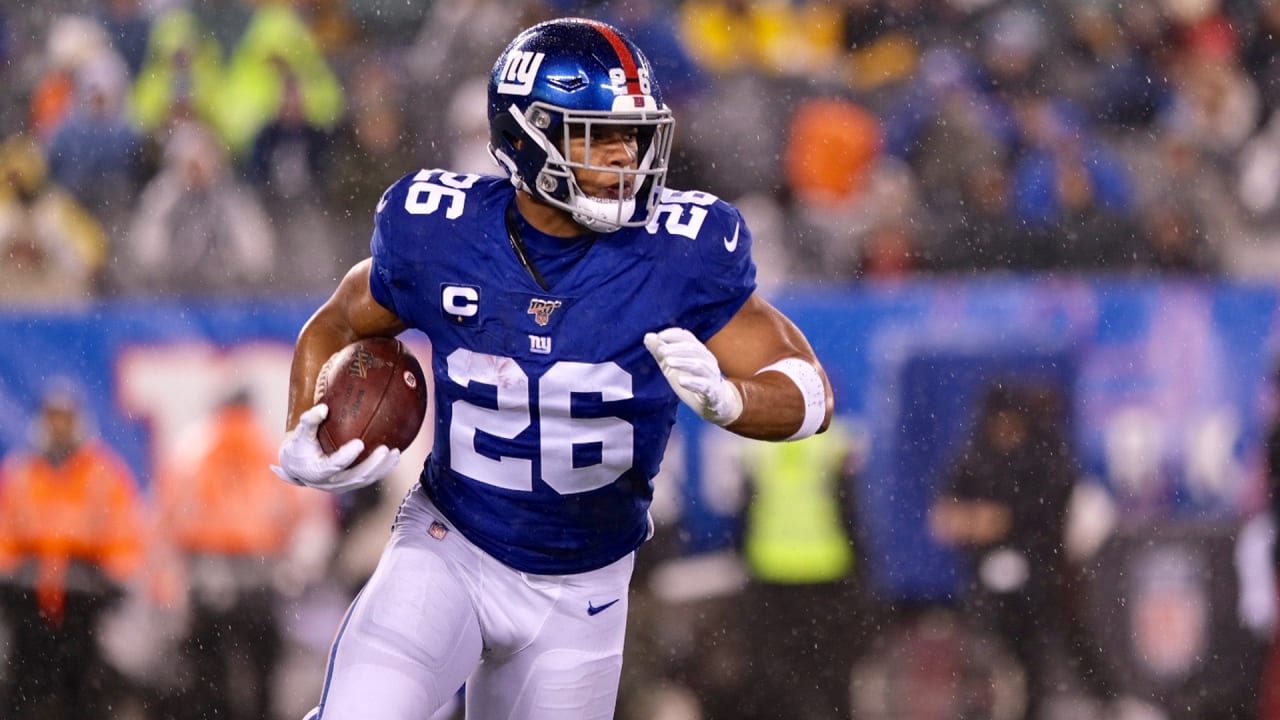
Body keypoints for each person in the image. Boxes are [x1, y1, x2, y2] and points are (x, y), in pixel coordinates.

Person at [270, 17, 834, 720]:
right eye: (598, 135)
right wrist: (303, 430)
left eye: (633, 135)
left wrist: (731, 399)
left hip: (583, 591)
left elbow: (811, 392)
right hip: (449, 548)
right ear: (525, 136)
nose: (626, 157)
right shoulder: (440, 233)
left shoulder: (681, 251)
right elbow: (337, 322)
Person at [0, 379, 148, 718]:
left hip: (84, 600)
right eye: (53, 418)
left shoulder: (104, 474)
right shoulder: (21, 474)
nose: (59, 426)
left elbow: (123, 535)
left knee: (84, 688)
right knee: (24, 687)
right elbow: (5, 532)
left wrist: (112, 578)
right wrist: (12, 575)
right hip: (28, 598)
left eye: (65, 418)